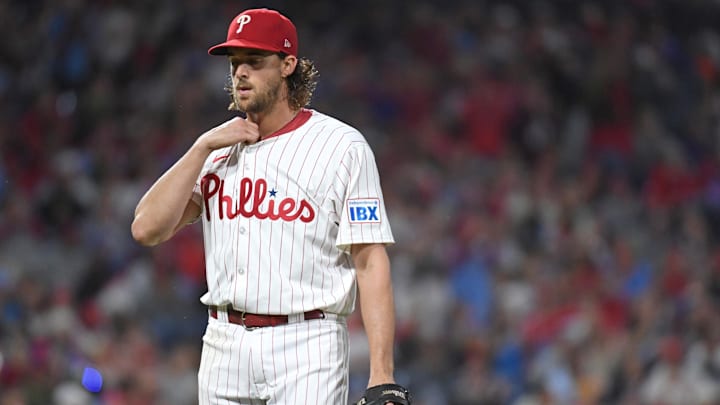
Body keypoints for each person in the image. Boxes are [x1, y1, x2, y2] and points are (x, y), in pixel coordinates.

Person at [131, 8, 410, 405]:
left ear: (287, 65)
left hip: (307, 343)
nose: (241, 73)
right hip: (223, 343)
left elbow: (369, 259)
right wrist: (201, 146)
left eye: (255, 62)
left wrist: (382, 373)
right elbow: (146, 228)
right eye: (235, 64)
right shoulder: (216, 151)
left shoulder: (341, 146)